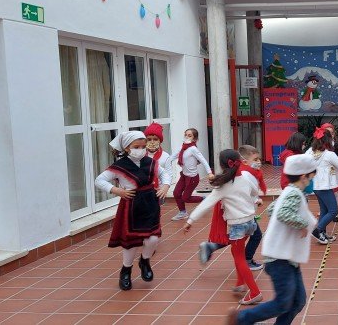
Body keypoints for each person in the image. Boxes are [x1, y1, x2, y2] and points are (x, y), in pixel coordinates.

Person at [228, 154, 318, 325]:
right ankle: (241, 319)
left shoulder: (289, 191)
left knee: (297, 302)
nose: (313, 181)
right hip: (279, 260)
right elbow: (283, 213)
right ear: (304, 176)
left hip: (287, 258)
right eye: (312, 177)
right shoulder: (294, 194)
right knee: (283, 303)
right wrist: (302, 224)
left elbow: (271, 211)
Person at [183, 149, 262, 305]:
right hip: (251, 222)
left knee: (239, 257)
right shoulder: (246, 176)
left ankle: (255, 292)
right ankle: (240, 283)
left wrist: (190, 220)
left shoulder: (223, 185)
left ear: (221, 165)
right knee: (237, 253)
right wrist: (255, 200)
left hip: (238, 225)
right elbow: (254, 191)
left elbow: (206, 204)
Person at [94, 131, 171, 291]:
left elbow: (165, 174)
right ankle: (126, 271)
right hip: (131, 206)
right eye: (137, 147)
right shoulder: (119, 166)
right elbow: (99, 180)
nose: (141, 149)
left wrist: (165, 185)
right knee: (131, 243)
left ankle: (145, 261)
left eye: (143, 147)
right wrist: (116, 190)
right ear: (127, 148)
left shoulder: (150, 162)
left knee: (153, 239)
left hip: (150, 203)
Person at [306, 127, 338, 244]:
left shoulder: (310, 152)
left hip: (316, 186)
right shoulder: (329, 154)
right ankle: (318, 230)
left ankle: (322, 234)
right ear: (328, 141)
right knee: (333, 211)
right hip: (325, 187)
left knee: (324, 210)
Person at [169, 128, 214, 221]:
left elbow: (203, 161)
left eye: (189, 135)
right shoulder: (182, 147)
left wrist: (209, 173)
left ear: (194, 139)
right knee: (176, 193)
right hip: (184, 176)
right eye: (185, 135)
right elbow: (172, 157)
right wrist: (160, 164)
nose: (186, 137)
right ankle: (183, 213)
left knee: (186, 198)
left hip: (193, 178)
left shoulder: (193, 149)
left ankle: (203, 199)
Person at [238, 145, 267, 271]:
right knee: (256, 235)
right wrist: (256, 199)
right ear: (245, 161)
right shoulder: (245, 174)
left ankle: (211, 246)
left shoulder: (251, 173)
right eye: (255, 159)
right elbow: (245, 192)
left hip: (246, 211)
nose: (259, 162)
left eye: (259, 159)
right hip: (244, 212)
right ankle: (247, 260)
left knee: (240, 237)